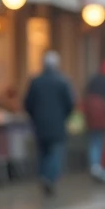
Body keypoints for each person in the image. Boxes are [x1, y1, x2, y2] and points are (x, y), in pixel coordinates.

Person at [23, 51, 75, 196]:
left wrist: (35, 117)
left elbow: (28, 103)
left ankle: (43, 175)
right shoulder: (63, 82)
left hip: (40, 124)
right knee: (56, 153)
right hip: (58, 124)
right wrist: (64, 116)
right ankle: (50, 177)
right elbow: (70, 103)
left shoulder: (36, 81)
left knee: (43, 152)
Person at [83, 60, 105, 183]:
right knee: (101, 142)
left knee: (94, 141)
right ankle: (99, 166)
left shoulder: (92, 81)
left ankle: (94, 166)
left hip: (92, 119)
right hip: (103, 119)